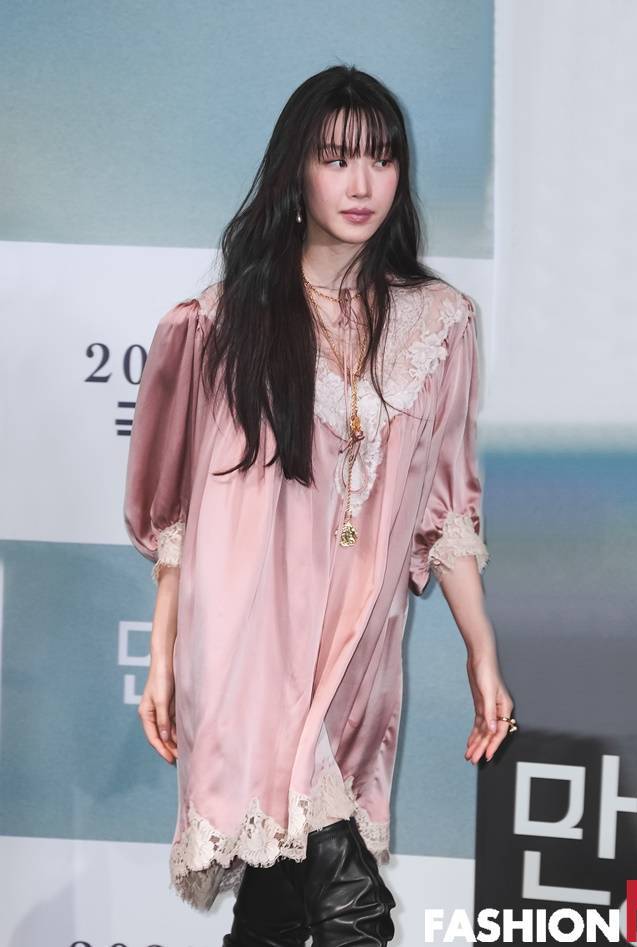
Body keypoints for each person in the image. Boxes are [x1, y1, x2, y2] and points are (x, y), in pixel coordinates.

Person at [123, 64, 516, 947]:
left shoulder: (439, 324)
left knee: (278, 906)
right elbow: (178, 511)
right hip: (247, 643)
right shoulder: (219, 323)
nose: (362, 182)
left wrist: (481, 650)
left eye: (382, 158)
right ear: (296, 170)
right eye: (337, 159)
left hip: (355, 654)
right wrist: (162, 655)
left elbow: (445, 512)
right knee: (352, 912)